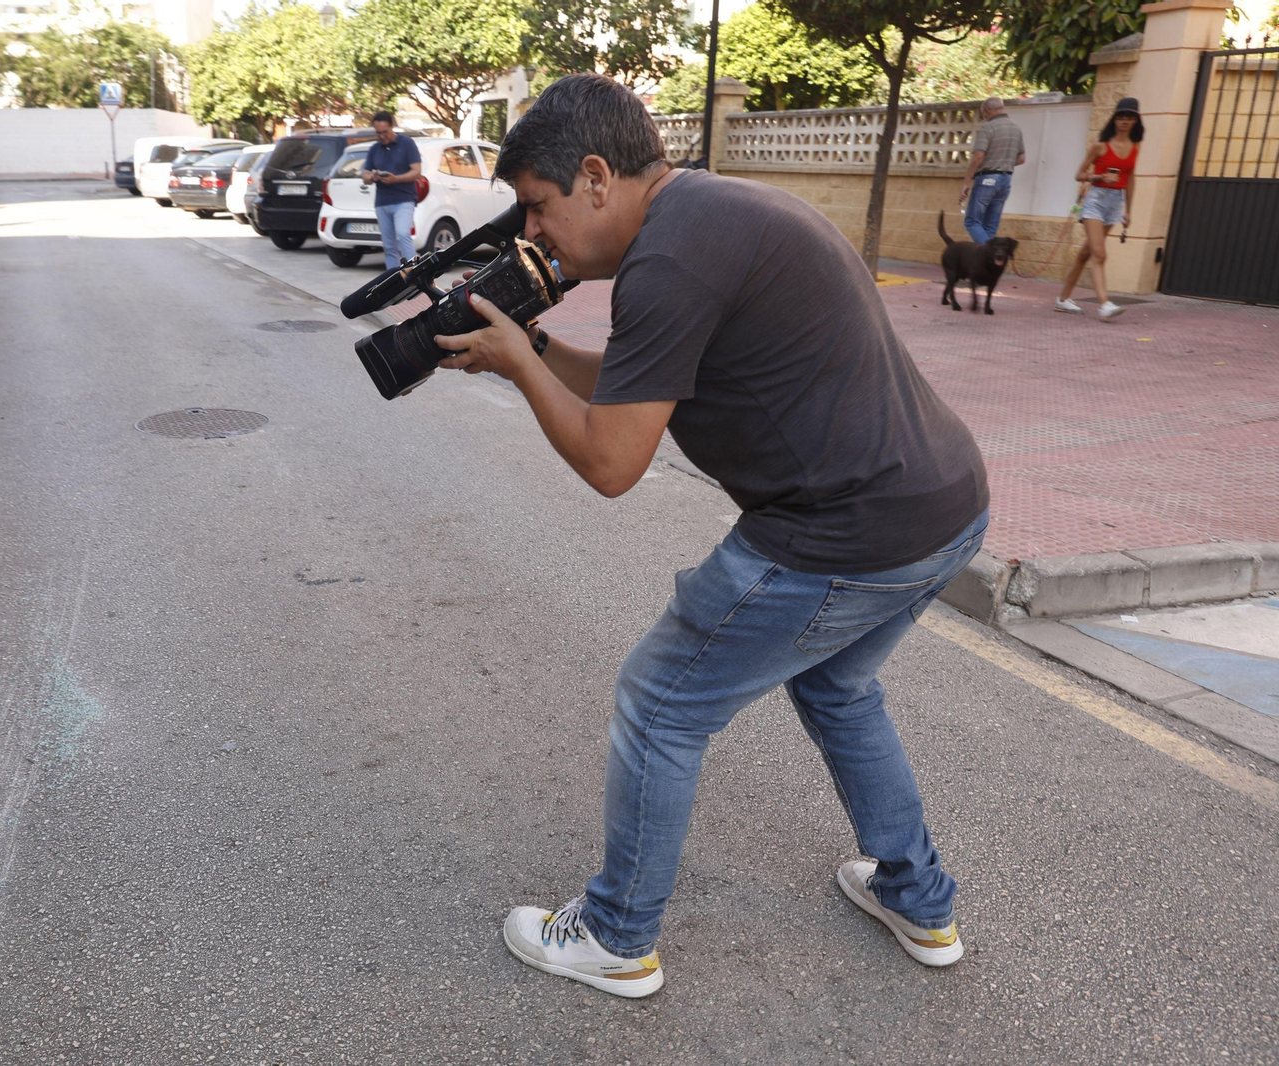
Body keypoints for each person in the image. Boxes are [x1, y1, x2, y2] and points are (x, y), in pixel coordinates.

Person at [433, 74, 990, 999]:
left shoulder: (667, 263)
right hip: (945, 507)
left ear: (598, 177)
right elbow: (637, 371)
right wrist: (523, 351)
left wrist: (519, 371)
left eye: (538, 208)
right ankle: (919, 899)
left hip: (842, 533)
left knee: (661, 703)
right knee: (839, 685)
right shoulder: (707, 211)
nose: (531, 235)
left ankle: (616, 935)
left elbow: (613, 462)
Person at [1056, 98, 1143, 320]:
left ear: (1135, 121)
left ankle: (1063, 299)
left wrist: (1129, 211)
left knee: (1085, 253)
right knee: (1099, 254)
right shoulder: (1100, 146)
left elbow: (1131, 179)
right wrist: (1099, 176)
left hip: (1116, 202)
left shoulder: (1135, 148)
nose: (1125, 121)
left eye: (1130, 117)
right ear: (1114, 119)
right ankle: (1104, 303)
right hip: (1096, 199)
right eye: (1121, 116)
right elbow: (1079, 174)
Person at [957, 97, 1025, 243]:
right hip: (1006, 180)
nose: (984, 117)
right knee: (990, 227)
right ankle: (988, 263)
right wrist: (1003, 163)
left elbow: (978, 156)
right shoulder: (1016, 128)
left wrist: (965, 182)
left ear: (987, 111)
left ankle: (989, 253)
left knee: (972, 222)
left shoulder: (988, 127)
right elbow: (1021, 159)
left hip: (986, 179)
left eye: (983, 114)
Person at [361, 110, 421, 269]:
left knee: (403, 234)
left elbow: (416, 172)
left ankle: (416, 272)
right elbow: (365, 175)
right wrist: (371, 177)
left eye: (385, 132)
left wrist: (396, 179)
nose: (382, 136)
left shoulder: (407, 144)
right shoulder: (374, 148)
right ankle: (393, 281)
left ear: (392, 127)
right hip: (382, 202)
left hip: (404, 199)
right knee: (388, 245)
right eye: (378, 133)